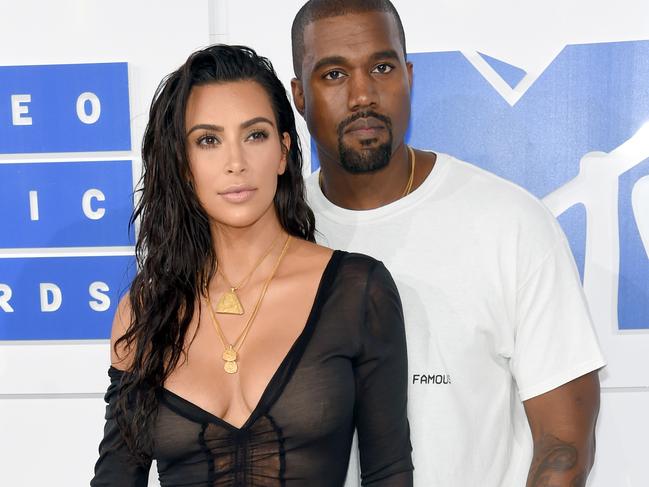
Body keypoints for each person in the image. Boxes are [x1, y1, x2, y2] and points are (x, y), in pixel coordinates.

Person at [289, 1, 606, 486]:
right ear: (299, 96)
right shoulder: (276, 233)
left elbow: (564, 446)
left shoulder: (510, 222)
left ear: (409, 76)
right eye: (333, 74)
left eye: (381, 67)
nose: (362, 95)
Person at [91, 44, 413, 486]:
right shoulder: (145, 309)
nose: (236, 163)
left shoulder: (357, 290)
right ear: (184, 166)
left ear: (283, 151)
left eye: (255, 135)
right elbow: (115, 478)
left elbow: (389, 472)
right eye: (209, 140)